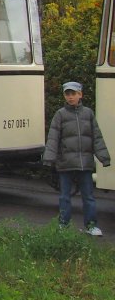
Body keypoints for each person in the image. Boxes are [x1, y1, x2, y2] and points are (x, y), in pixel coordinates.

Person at [43, 81, 111, 236]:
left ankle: (91, 226)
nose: (70, 97)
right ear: (64, 96)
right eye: (67, 94)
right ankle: (63, 225)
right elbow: (53, 138)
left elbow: (97, 137)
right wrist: (49, 159)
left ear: (80, 94)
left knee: (88, 197)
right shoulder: (60, 114)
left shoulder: (88, 113)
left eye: (73, 94)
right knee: (65, 197)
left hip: (85, 164)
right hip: (65, 163)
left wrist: (104, 158)